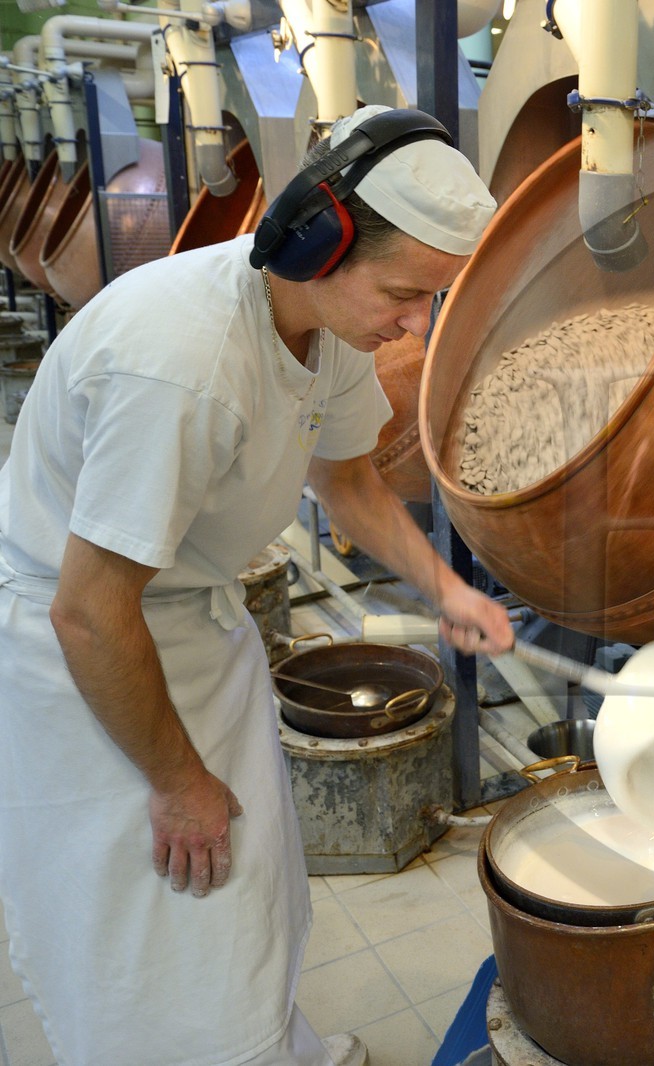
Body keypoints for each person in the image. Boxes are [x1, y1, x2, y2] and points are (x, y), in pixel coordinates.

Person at [0, 105, 514, 1066]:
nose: (417, 325)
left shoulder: (325, 330)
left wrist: (448, 588)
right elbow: (88, 608)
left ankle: (273, 1047)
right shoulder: (184, 366)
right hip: (88, 660)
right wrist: (176, 778)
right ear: (318, 244)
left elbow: (349, 479)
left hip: (189, 622)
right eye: (406, 294)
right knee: (160, 933)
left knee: (249, 893)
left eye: (433, 300)